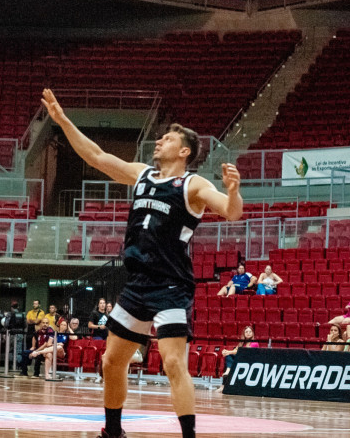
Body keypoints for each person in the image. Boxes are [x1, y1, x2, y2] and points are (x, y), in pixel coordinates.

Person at [43, 89, 243, 438]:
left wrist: (234, 190)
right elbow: (96, 156)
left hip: (170, 286)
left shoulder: (192, 184)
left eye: (167, 138)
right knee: (111, 361)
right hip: (137, 284)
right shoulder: (143, 175)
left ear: (184, 151)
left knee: (173, 363)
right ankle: (114, 432)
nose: (159, 141)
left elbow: (230, 211)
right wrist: (62, 120)